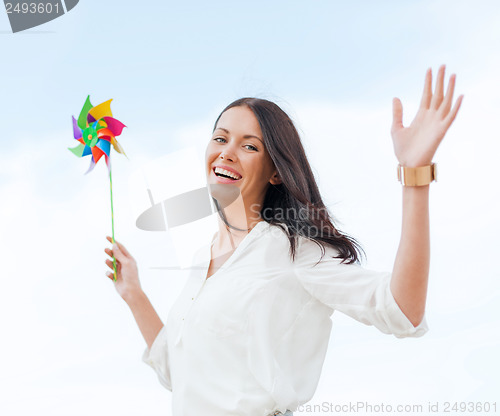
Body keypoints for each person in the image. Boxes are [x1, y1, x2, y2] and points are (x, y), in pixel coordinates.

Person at [104, 65, 463, 416]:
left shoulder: (293, 250)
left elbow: (402, 310)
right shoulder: (203, 258)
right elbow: (177, 372)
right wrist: (134, 294)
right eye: (220, 138)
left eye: (249, 146)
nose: (226, 151)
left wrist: (415, 176)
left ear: (276, 171)